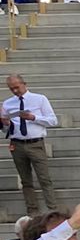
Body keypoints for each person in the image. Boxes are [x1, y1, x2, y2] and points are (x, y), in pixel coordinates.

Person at [3, 75, 58, 218]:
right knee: (25, 180)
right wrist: (5, 124)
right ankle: (32, 211)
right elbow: (6, 129)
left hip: (35, 143)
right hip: (17, 143)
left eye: (17, 87)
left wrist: (33, 118)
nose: (15, 91)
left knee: (44, 178)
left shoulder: (39, 99)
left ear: (24, 84)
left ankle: (52, 209)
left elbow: (53, 121)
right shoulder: (8, 104)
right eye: (11, 88)